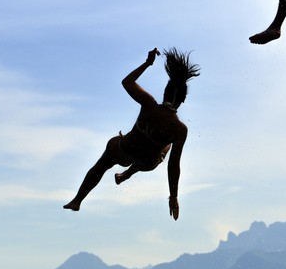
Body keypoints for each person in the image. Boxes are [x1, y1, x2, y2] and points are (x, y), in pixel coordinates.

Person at [64, 48, 200, 220]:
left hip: (122, 151)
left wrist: (147, 64)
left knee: (103, 162)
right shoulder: (179, 129)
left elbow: (127, 82)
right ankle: (126, 175)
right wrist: (173, 196)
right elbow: (173, 165)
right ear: (183, 99)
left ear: (164, 92)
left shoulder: (149, 103)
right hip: (146, 163)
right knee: (166, 145)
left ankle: (77, 200)